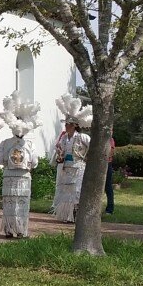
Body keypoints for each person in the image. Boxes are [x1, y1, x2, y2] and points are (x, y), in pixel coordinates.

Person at [0, 93, 41, 238]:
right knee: (18, 204)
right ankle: (19, 230)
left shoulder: (6, 143)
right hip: (21, 177)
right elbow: (34, 162)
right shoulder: (29, 144)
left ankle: (11, 229)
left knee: (12, 204)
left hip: (12, 176)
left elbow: (0, 160)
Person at [52, 95, 92, 223]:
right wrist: (59, 156)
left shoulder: (82, 137)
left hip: (78, 167)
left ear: (74, 125)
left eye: (69, 124)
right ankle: (66, 214)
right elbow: (60, 151)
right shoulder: (64, 138)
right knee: (65, 191)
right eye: (66, 124)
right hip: (66, 167)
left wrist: (88, 159)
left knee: (76, 191)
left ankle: (76, 214)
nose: (67, 126)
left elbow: (93, 148)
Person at [103, 136, 116, 215]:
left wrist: (105, 158)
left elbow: (112, 151)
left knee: (108, 186)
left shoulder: (109, 139)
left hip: (107, 164)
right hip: (97, 165)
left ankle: (110, 209)